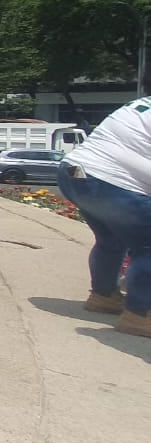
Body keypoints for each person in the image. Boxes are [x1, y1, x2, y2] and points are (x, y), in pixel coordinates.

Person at [56, 96, 151, 338]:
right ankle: (140, 314)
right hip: (111, 182)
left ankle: (103, 295)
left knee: (111, 241)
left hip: (75, 173)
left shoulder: (142, 104)